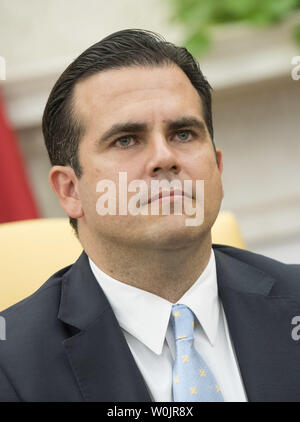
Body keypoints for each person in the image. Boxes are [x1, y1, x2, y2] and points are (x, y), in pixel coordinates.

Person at [1, 29, 300, 402]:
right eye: (126, 139)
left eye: (184, 133)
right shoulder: (10, 367)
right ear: (70, 190)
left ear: (217, 168)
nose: (164, 158)